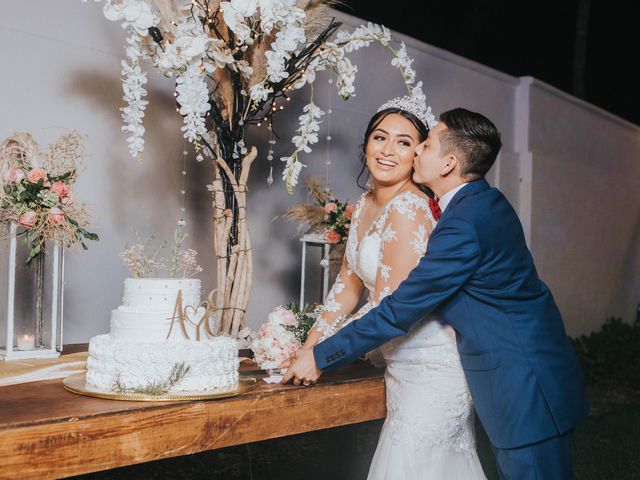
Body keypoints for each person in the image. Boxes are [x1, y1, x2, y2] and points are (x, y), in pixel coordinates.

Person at [283, 107, 590, 479]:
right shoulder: (478, 203)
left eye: (423, 144)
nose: (415, 153)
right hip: (529, 374)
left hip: (525, 386)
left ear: (447, 163)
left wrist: (320, 355)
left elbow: (398, 309)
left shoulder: (463, 223)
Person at [286, 98, 487, 479]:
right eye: (380, 138)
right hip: (401, 363)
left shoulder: (410, 208)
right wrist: (310, 342)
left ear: (419, 154)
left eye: (404, 142)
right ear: (366, 144)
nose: (388, 150)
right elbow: (348, 285)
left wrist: (322, 354)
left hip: (430, 368)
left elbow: (387, 304)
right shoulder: (363, 204)